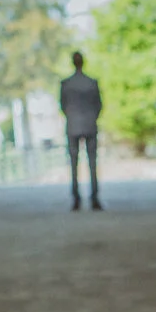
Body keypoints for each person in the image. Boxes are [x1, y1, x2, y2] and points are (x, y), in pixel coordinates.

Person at [59, 51, 103, 211]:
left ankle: (76, 198)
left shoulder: (66, 84)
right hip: (90, 124)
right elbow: (99, 105)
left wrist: (72, 117)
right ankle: (94, 197)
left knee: (73, 163)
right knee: (92, 163)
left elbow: (63, 105)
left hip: (73, 126)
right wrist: (91, 117)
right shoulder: (92, 83)